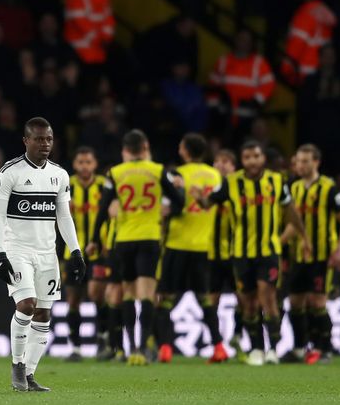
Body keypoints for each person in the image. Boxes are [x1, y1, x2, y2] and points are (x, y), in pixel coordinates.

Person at [192, 140, 310, 366]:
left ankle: (273, 349)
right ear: (243, 160)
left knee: (267, 297)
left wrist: (304, 237)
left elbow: (291, 212)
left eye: (256, 156)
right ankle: (256, 348)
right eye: (247, 157)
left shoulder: (276, 181)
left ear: (262, 158)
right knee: (249, 304)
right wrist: (198, 196)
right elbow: (208, 204)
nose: (252, 161)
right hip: (241, 254)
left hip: (268, 252)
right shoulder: (230, 183)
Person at [0, 117, 85, 392]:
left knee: (44, 314)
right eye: (39, 139)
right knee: (27, 305)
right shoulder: (9, 173)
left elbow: (64, 216)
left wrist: (76, 250)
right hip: (17, 250)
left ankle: (30, 374)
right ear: (26, 141)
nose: (45, 144)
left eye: (49, 139)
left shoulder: (60, 175)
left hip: (47, 253)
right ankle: (17, 365)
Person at [87, 129, 184, 366]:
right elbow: (179, 202)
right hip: (150, 237)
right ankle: (144, 347)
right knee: (147, 294)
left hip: (124, 239)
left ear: (126, 150)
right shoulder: (158, 170)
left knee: (128, 292)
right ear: (145, 146)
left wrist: (95, 240)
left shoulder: (116, 173)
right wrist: (169, 208)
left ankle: (131, 349)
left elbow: (102, 209)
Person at [281, 144, 340, 364]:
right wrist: (280, 243)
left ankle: (325, 349)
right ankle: (299, 348)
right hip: (298, 256)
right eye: (298, 161)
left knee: (317, 302)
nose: (300, 165)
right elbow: (293, 224)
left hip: (322, 256)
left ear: (316, 162)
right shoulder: (292, 188)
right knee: (295, 302)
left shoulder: (328, 188)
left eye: (305, 161)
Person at [154, 134, 225, 364]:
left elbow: (167, 210)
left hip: (177, 243)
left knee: (165, 298)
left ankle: (165, 347)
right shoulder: (216, 175)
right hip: (204, 246)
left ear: (184, 151)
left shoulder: (176, 174)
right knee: (205, 298)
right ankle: (219, 347)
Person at [63, 146, 108, 362]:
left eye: (88, 162)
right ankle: (76, 347)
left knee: (97, 294)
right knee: (73, 299)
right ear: (74, 165)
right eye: (80, 162)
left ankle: (103, 339)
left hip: (99, 250)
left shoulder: (104, 185)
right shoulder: (66, 185)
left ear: (95, 164)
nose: (84, 166)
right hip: (71, 252)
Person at [208, 150, 247, 361]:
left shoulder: (240, 189)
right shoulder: (208, 189)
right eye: (217, 161)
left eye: (226, 162)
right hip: (211, 255)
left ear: (234, 167)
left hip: (236, 254)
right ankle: (218, 345)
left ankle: (238, 335)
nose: (221, 165)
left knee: (244, 299)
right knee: (211, 300)